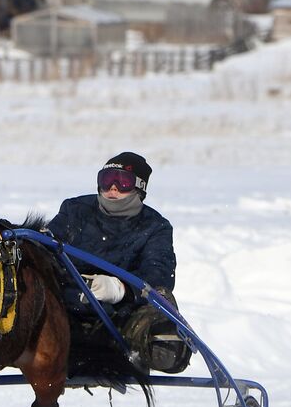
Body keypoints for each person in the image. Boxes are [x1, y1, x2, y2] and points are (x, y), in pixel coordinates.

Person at [47, 151, 190, 373]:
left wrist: (121, 289)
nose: (112, 188)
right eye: (106, 180)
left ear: (139, 187)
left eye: (122, 182)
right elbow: (45, 247)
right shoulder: (74, 211)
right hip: (67, 311)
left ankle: (140, 353)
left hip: (123, 318)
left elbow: (159, 275)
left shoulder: (156, 227)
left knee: (165, 319)